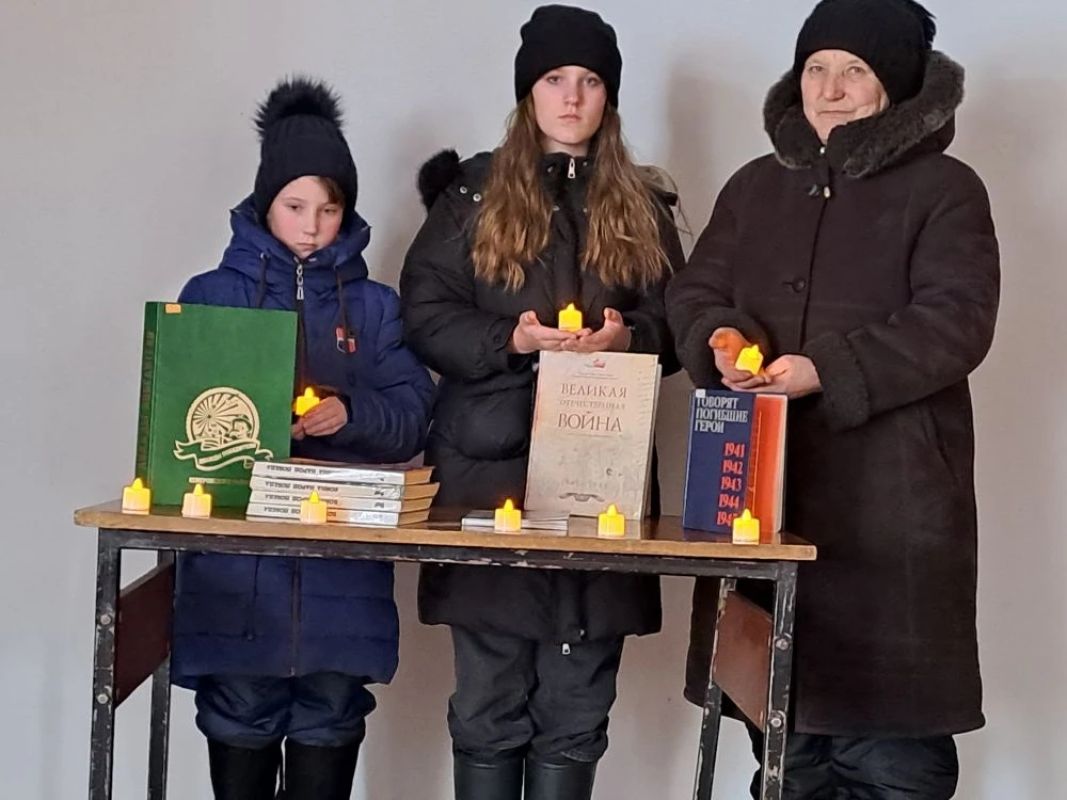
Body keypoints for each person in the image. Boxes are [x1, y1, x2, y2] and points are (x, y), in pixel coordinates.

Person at [667, 1, 999, 797]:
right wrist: (720, 339)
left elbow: (956, 321)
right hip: (765, 500)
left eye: (854, 70)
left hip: (893, 513)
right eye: (815, 68)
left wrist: (825, 369)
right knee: (783, 757)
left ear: (896, 84)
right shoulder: (754, 187)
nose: (830, 89)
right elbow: (696, 291)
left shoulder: (945, 189)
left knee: (894, 762)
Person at [399, 6, 683, 798]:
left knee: (577, 702)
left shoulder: (644, 205)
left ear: (608, 97)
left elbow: (680, 323)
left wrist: (626, 339)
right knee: (487, 701)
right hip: (485, 479)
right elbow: (424, 313)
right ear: (528, 92)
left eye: (589, 81)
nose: (571, 97)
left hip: (602, 477)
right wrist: (511, 340)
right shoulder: (471, 194)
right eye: (555, 79)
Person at [170, 77, 435, 800]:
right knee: (239, 707)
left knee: (330, 709)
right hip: (234, 572)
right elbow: (177, 417)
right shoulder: (208, 298)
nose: (312, 225)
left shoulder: (375, 308)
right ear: (265, 203)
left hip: (341, 571)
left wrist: (351, 413)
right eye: (295, 206)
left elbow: (413, 412)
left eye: (329, 208)